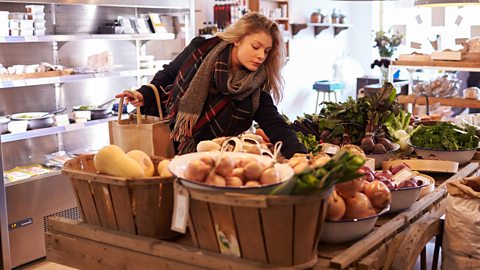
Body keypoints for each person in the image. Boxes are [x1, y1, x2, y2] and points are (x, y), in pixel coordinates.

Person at [116, 12, 306, 158]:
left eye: (266, 51)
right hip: (162, 141)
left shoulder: (255, 89)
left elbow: (276, 125)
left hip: (205, 161)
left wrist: (299, 154)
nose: (260, 56)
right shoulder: (200, 49)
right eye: (255, 47)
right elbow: (168, 74)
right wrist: (143, 94)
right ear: (237, 39)